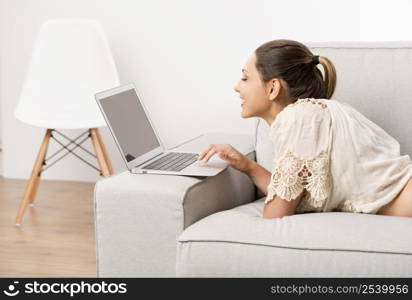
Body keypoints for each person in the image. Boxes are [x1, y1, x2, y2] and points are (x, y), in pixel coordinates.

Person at [197, 39, 412, 219]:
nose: (237, 86)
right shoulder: (308, 116)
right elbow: (289, 193)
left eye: (245, 77)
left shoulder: (299, 118)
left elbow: (276, 213)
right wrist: (246, 165)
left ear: (273, 88)